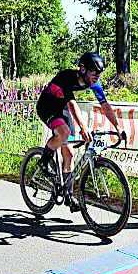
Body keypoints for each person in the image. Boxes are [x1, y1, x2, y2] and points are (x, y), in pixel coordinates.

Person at [35, 52, 123, 212]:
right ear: (83, 69)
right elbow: (72, 104)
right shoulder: (68, 76)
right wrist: (83, 126)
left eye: (99, 73)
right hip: (47, 105)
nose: (97, 76)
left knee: (68, 154)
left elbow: (105, 105)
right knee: (64, 133)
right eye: (94, 72)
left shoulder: (94, 83)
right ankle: (44, 160)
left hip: (61, 108)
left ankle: (67, 194)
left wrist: (118, 127)